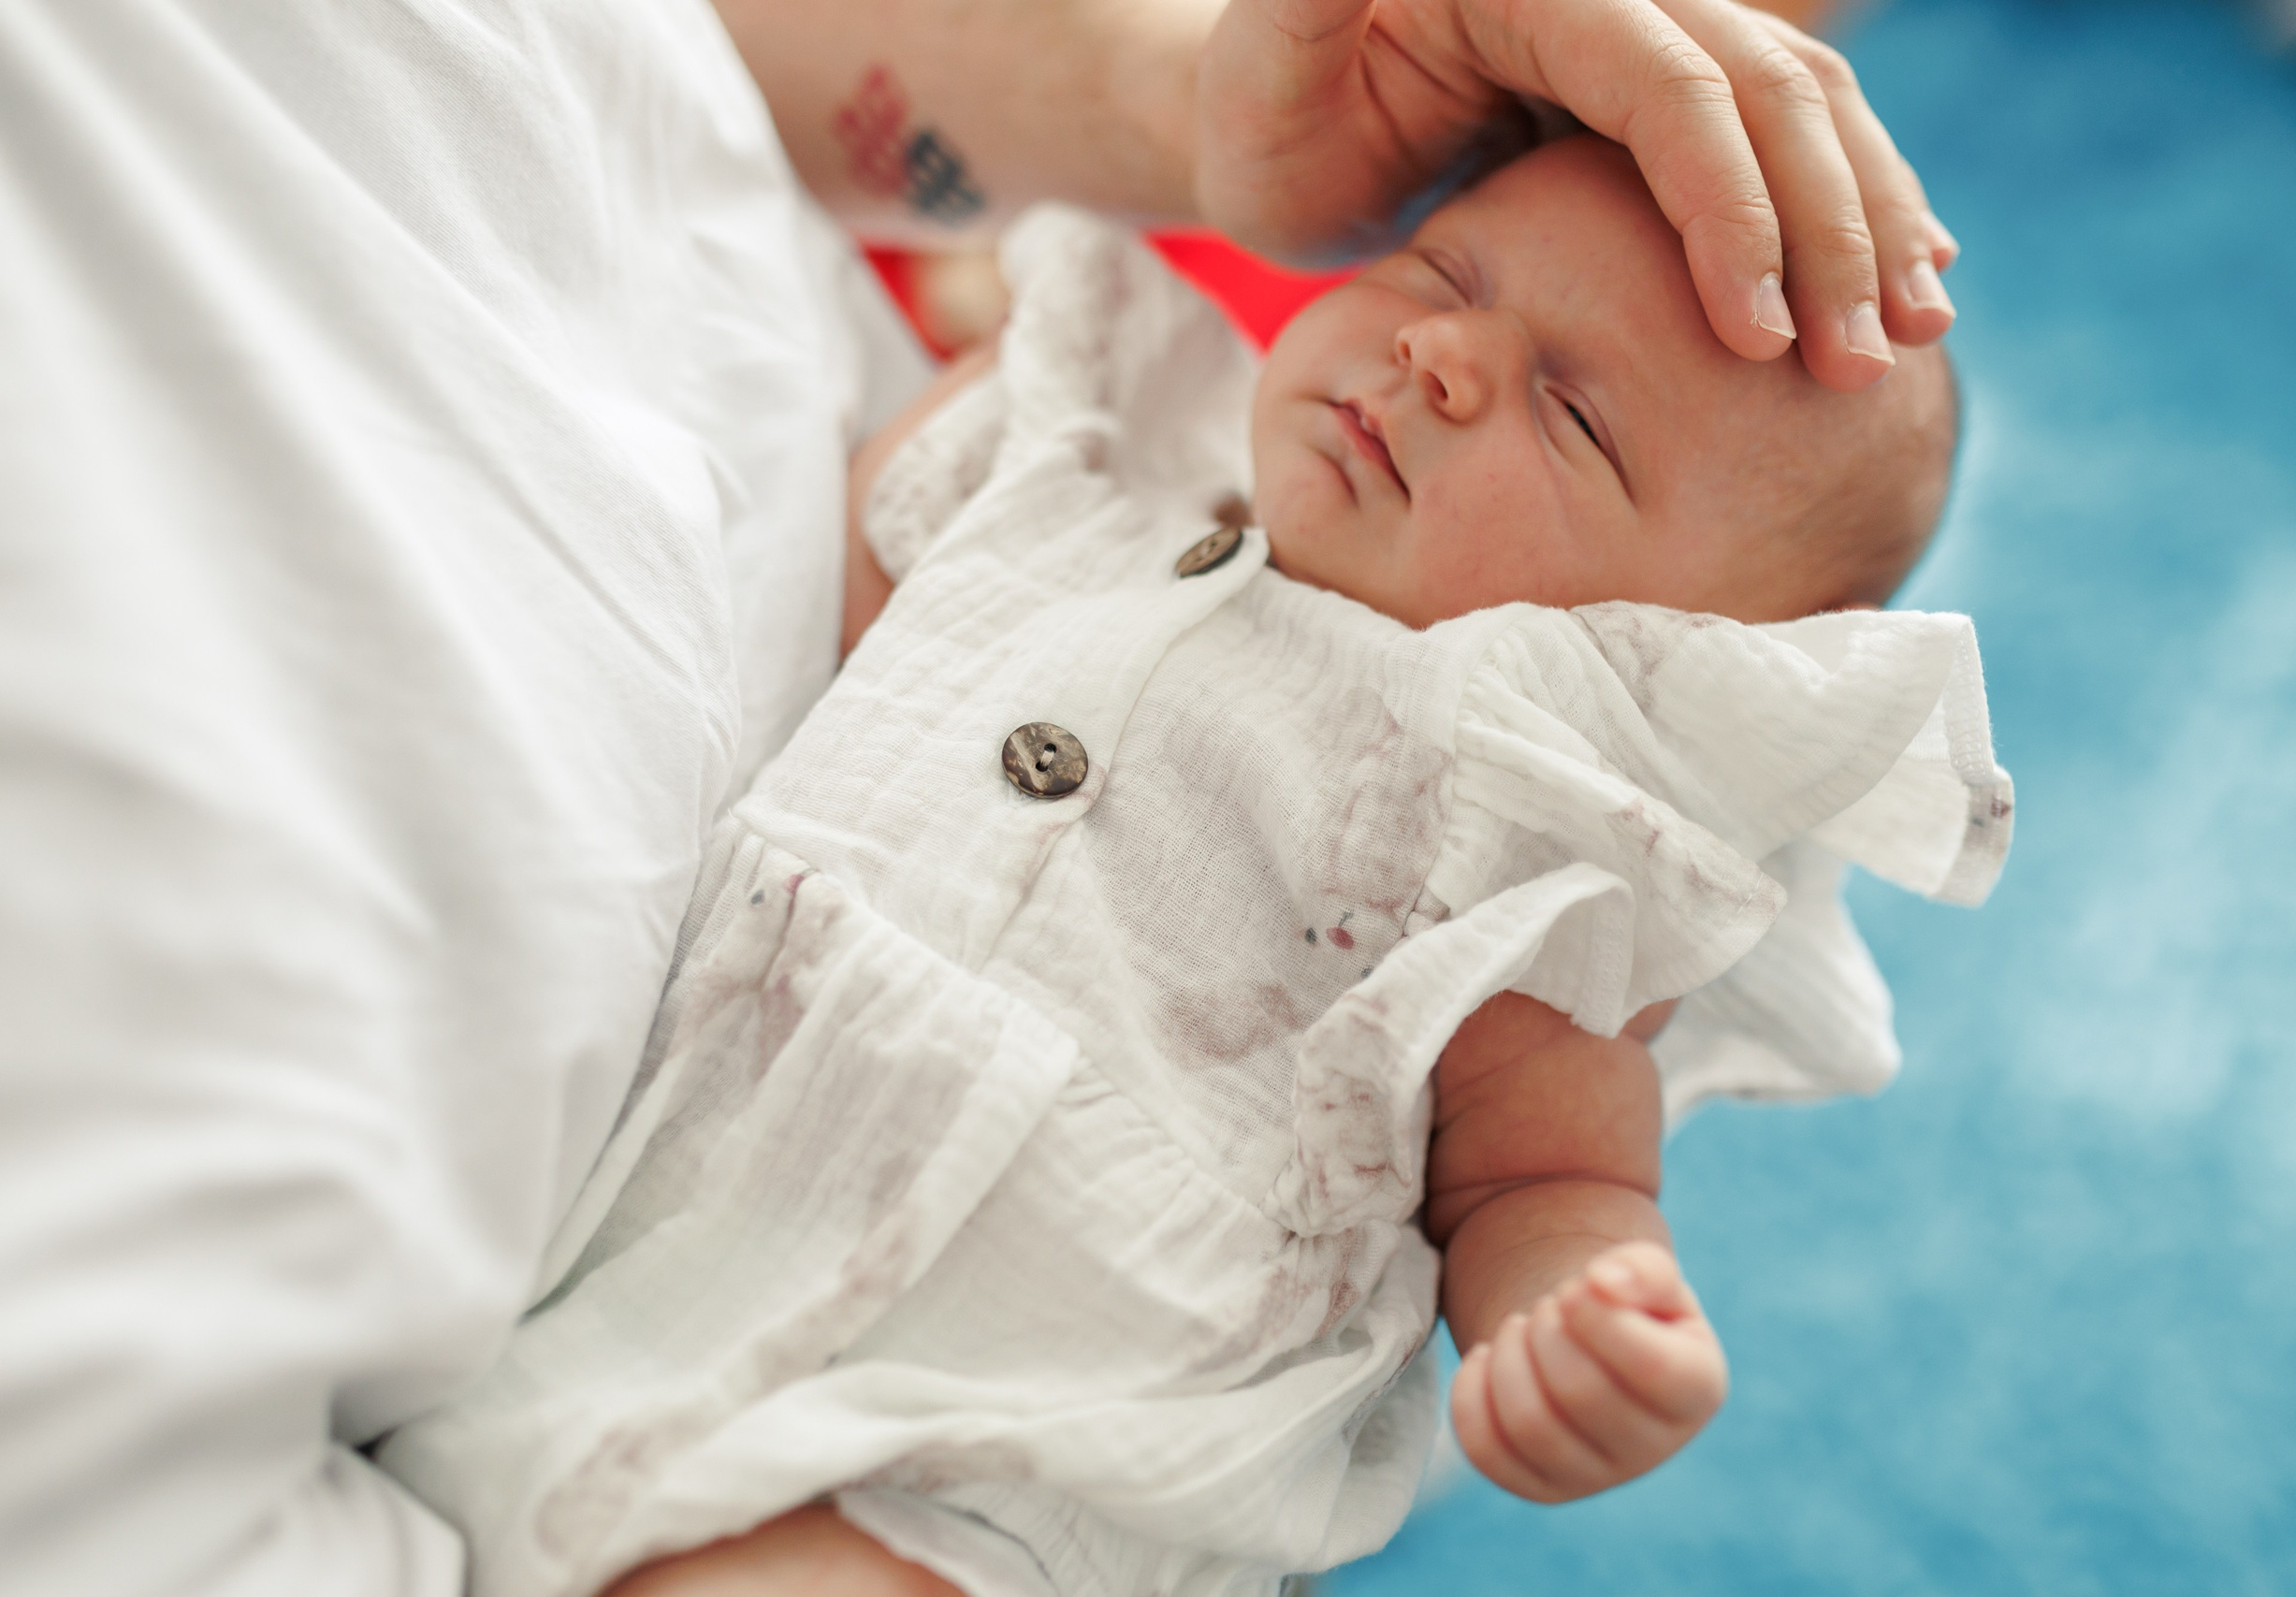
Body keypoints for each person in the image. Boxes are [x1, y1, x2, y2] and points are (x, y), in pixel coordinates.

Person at [0, 4, 1955, 1596]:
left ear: (1672, 659)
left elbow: (1543, 1171)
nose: (1445, 356)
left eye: (1572, 414)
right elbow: (830, 598)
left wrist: (1578, 1304)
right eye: (1441, 276)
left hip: (1016, 1421)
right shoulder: (1079, 450)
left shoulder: (1532, 810)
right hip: (647, 1231)